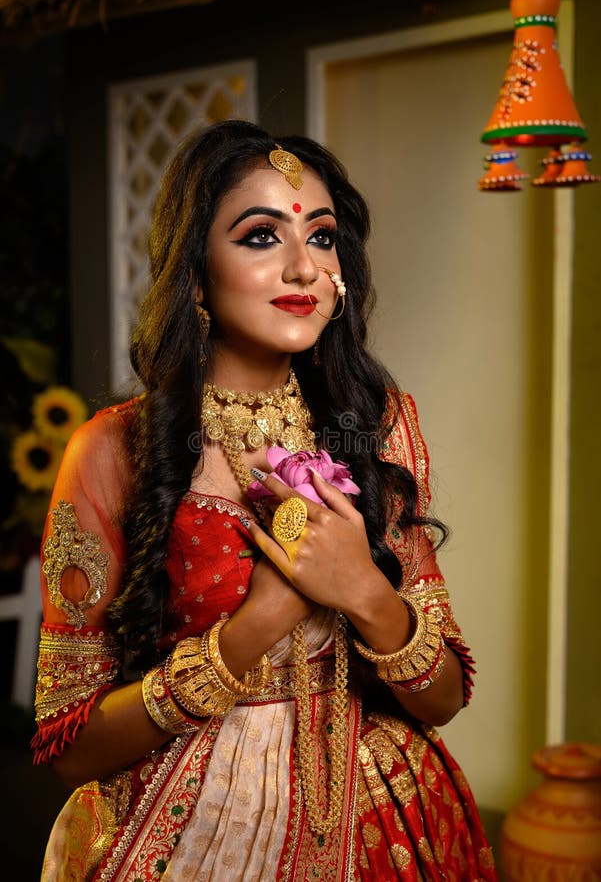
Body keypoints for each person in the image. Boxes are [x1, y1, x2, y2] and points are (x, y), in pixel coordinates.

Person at [32, 119, 498, 880]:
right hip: (186, 828)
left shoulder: (377, 422)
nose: (304, 267)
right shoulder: (114, 450)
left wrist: (364, 594)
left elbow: (441, 698)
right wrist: (256, 627)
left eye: (320, 237)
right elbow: (66, 743)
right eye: (258, 237)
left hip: (380, 821)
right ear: (195, 271)